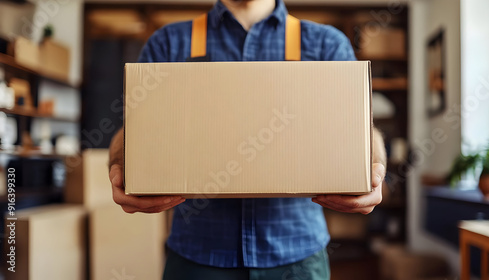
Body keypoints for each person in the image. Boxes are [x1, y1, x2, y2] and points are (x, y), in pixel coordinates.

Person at [108, 0, 387, 279]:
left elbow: (361, 130)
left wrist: (374, 168)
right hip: (198, 255)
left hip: (297, 255)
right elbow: (134, 131)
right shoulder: (169, 43)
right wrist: (120, 167)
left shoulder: (326, 45)